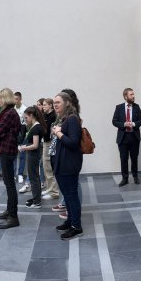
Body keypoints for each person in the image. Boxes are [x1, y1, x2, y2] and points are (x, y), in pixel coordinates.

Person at [52, 91, 84, 240]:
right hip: (62, 164)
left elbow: (73, 142)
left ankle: (76, 226)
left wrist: (59, 133)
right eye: (54, 102)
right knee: (68, 195)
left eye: (58, 102)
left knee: (72, 196)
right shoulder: (65, 119)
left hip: (69, 164)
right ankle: (70, 221)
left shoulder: (72, 119)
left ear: (67, 103)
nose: (55, 105)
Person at [0, 88, 21, 229]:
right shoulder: (9, 112)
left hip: (7, 150)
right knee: (8, 184)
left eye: (0, 98)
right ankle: (9, 210)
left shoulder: (9, 113)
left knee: (10, 185)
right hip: (7, 150)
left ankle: (13, 217)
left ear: (6, 98)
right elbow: (3, 129)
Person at [113, 87, 141, 186]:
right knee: (123, 158)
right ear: (125, 96)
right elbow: (114, 121)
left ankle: (135, 176)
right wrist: (124, 124)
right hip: (123, 137)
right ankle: (125, 178)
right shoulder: (119, 107)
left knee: (134, 158)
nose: (133, 96)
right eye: (131, 94)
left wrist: (134, 124)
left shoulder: (137, 107)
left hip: (134, 136)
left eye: (133, 94)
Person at [20, 106, 45, 208]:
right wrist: (25, 146)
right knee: (35, 177)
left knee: (33, 177)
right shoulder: (36, 126)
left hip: (33, 154)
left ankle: (37, 202)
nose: (25, 120)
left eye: (26, 118)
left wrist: (23, 148)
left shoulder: (35, 127)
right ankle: (36, 198)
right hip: (34, 153)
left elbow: (35, 145)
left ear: (31, 116)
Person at [40, 98, 60, 201]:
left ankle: (54, 193)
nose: (43, 107)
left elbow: (49, 131)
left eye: (44, 105)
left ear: (50, 106)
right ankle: (49, 189)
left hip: (50, 143)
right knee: (45, 167)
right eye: (42, 105)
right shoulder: (45, 116)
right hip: (45, 142)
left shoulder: (53, 116)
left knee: (49, 167)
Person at [14, 91, 28, 185]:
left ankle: (20, 174)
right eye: (13, 99)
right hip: (14, 134)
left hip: (23, 134)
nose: (15, 101)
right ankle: (14, 174)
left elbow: (26, 124)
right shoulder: (12, 109)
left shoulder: (25, 109)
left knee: (22, 155)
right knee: (13, 155)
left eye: (16, 99)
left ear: (20, 99)